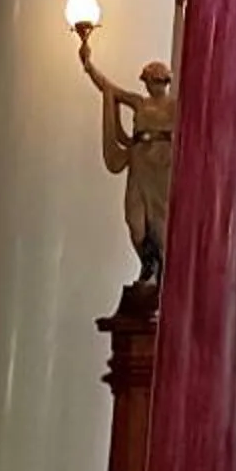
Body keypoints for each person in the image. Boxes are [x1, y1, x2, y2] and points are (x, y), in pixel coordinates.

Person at [80, 30, 177, 286]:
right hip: (139, 163)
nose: (150, 85)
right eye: (148, 81)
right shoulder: (139, 103)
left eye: (155, 80)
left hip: (162, 167)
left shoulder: (175, 106)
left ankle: (159, 272)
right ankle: (149, 262)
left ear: (163, 81)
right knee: (135, 221)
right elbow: (109, 89)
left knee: (159, 221)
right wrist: (89, 66)